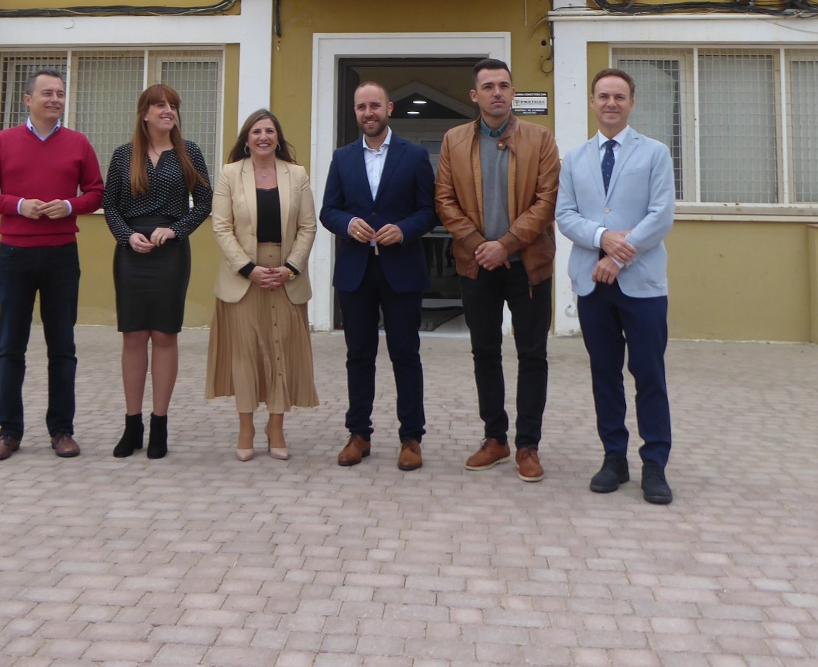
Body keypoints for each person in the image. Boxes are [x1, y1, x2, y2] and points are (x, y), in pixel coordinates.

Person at [435, 58, 560, 483]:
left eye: (504, 85)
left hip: (528, 265)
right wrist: (478, 246)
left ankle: (528, 445)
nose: (497, 93)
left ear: (512, 90)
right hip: (476, 265)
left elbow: (546, 203)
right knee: (484, 352)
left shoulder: (540, 139)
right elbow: (444, 200)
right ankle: (496, 438)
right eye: (488, 86)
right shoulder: (453, 141)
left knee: (532, 354)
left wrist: (504, 245)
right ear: (474, 95)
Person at [555, 68, 677, 504]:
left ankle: (655, 464)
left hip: (642, 285)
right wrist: (601, 240)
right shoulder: (574, 158)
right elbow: (565, 215)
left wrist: (618, 254)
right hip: (592, 284)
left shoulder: (655, 153)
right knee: (604, 374)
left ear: (631, 103)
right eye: (603, 95)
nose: (611, 103)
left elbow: (661, 215)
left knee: (649, 375)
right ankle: (614, 458)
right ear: (592, 102)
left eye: (619, 96)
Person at [0, 69, 105, 462]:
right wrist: (17, 205)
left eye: (61, 94)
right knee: (10, 346)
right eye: (47, 93)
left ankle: (62, 430)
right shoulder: (3, 142)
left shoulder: (78, 144)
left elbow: (96, 193)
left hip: (62, 254)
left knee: (62, 347)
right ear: (27, 100)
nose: (55, 99)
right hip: (15, 254)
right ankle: (8, 432)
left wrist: (68, 206)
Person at [319, 81, 437, 471]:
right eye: (361, 107)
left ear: (388, 108)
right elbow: (328, 210)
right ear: (355, 112)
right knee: (358, 356)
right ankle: (359, 434)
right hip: (356, 271)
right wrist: (348, 221)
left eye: (374, 106)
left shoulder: (415, 155)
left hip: (401, 269)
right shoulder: (342, 157)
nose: (368, 113)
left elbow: (428, 211)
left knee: (406, 354)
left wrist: (403, 229)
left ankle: (411, 438)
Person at [102, 84, 213, 459]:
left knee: (164, 336)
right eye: (161, 105)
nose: (169, 111)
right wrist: (126, 236)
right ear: (145, 113)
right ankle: (132, 425)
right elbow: (110, 205)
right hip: (131, 254)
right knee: (133, 336)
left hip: (171, 253)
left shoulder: (189, 152)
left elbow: (205, 202)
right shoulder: (122, 156)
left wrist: (176, 228)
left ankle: (159, 425)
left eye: (173, 106)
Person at [206, 109, 319, 461]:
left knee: (279, 351)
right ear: (246, 138)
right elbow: (221, 227)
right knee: (245, 355)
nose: (263, 137)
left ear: (278, 137)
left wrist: (290, 267)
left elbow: (308, 227)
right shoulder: (229, 174)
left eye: (270, 130)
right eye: (256, 131)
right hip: (244, 277)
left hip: (284, 276)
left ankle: (276, 428)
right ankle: (245, 429)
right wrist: (247, 268)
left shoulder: (296, 174)